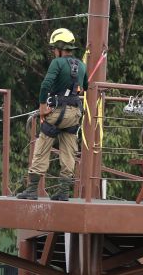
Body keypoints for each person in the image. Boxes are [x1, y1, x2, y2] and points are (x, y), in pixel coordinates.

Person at [16, 28, 89, 201]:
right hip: (74, 114)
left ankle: (32, 190)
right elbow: (86, 86)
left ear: (59, 47)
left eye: (54, 48)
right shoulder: (82, 65)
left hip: (56, 112)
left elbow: (45, 85)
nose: (53, 51)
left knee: (42, 147)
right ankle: (63, 192)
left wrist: (42, 107)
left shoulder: (57, 63)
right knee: (69, 151)